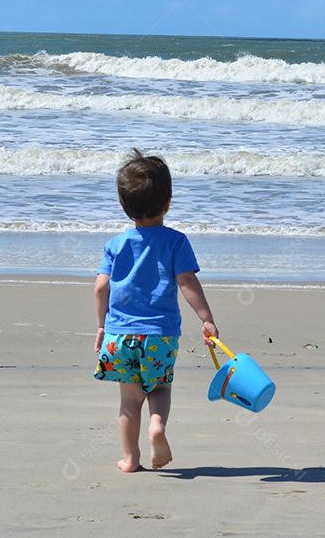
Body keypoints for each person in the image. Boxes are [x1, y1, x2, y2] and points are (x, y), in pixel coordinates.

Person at [93, 149, 218, 472]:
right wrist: (206, 318)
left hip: (119, 335)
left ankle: (130, 458)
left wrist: (101, 326)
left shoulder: (115, 244)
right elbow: (187, 282)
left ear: (124, 206)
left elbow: (100, 287)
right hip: (160, 336)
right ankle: (157, 426)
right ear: (168, 200)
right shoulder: (176, 242)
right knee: (160, 388)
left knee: (129, 401)